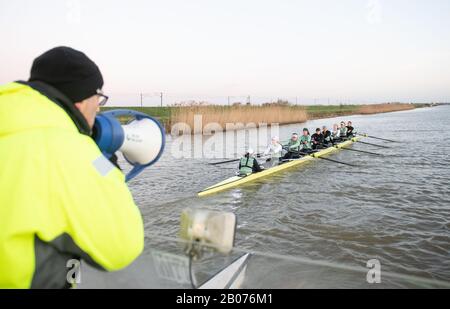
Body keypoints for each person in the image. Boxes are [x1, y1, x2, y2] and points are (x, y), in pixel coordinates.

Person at [0, 47, 144, 288]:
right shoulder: (72, 150)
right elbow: (122, 247)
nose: (98, 108)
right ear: (80, 99)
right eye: (98, 98)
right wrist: (106, 165)